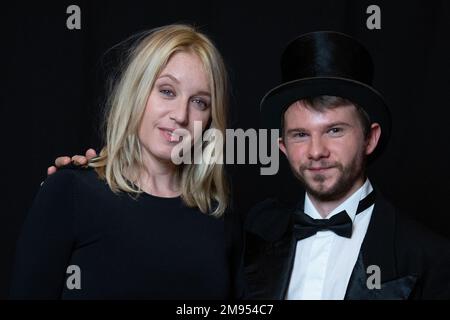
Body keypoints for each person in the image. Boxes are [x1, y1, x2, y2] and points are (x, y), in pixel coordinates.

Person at [10, 24, 243, 299]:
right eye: (167, 91)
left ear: (210, 120)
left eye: (200, 102)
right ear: (137, 91)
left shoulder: (219, 215)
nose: (180, 115)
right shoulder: (70, 191)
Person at [244, 31, 450, 299]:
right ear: (283, 147)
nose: (316, 151)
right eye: (301, 134)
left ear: (370, 138)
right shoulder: (255, 232)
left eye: (334, 131)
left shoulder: (430, 258)